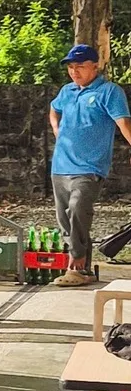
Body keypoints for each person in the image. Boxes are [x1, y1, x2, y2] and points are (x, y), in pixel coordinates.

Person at [47, 43, 131, 287]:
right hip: (61, 165)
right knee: (64, 217)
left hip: (89, 166)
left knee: (78, 209)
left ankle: (77, 261)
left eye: (80, 67)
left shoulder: (109, 91)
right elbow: (54, 109)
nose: (75, 71)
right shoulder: (67, 91)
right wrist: (56, 129)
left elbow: (123, 123)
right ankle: (81, 270)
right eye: (71, 67)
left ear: (96, 66)